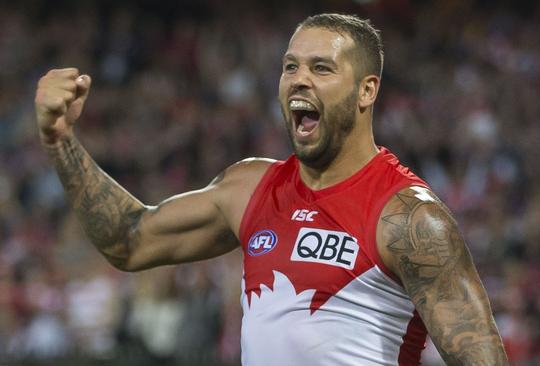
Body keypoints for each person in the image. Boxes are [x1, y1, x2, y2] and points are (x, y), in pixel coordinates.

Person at [34, 13, 508, 365]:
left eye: (322, 68)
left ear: (367, 91)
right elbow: (128, 238)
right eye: (290, 67)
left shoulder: (409, 218)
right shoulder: (250, 188)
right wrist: (60, 140)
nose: (300, 79)